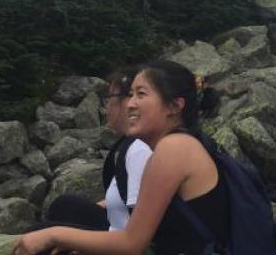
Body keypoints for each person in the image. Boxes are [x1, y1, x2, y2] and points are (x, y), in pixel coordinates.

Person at [15, 60, 229, 255]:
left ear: (174, 106)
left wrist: (56, 234)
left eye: (141, 94)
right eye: (130, 94)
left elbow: (132, 244)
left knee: (44, 236)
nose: (130, 104)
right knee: (61, 216)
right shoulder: (183, 142)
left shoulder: (174, 148)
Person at [30, 68, 151, 233]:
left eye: (109, 98)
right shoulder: (129, 145)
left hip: (119, 240)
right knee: (65, 205)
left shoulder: (138, 150)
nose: (106, 106)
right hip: (115, 231)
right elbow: (125, 199)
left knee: (40, 232)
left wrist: (63, 238)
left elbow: (136, 235)